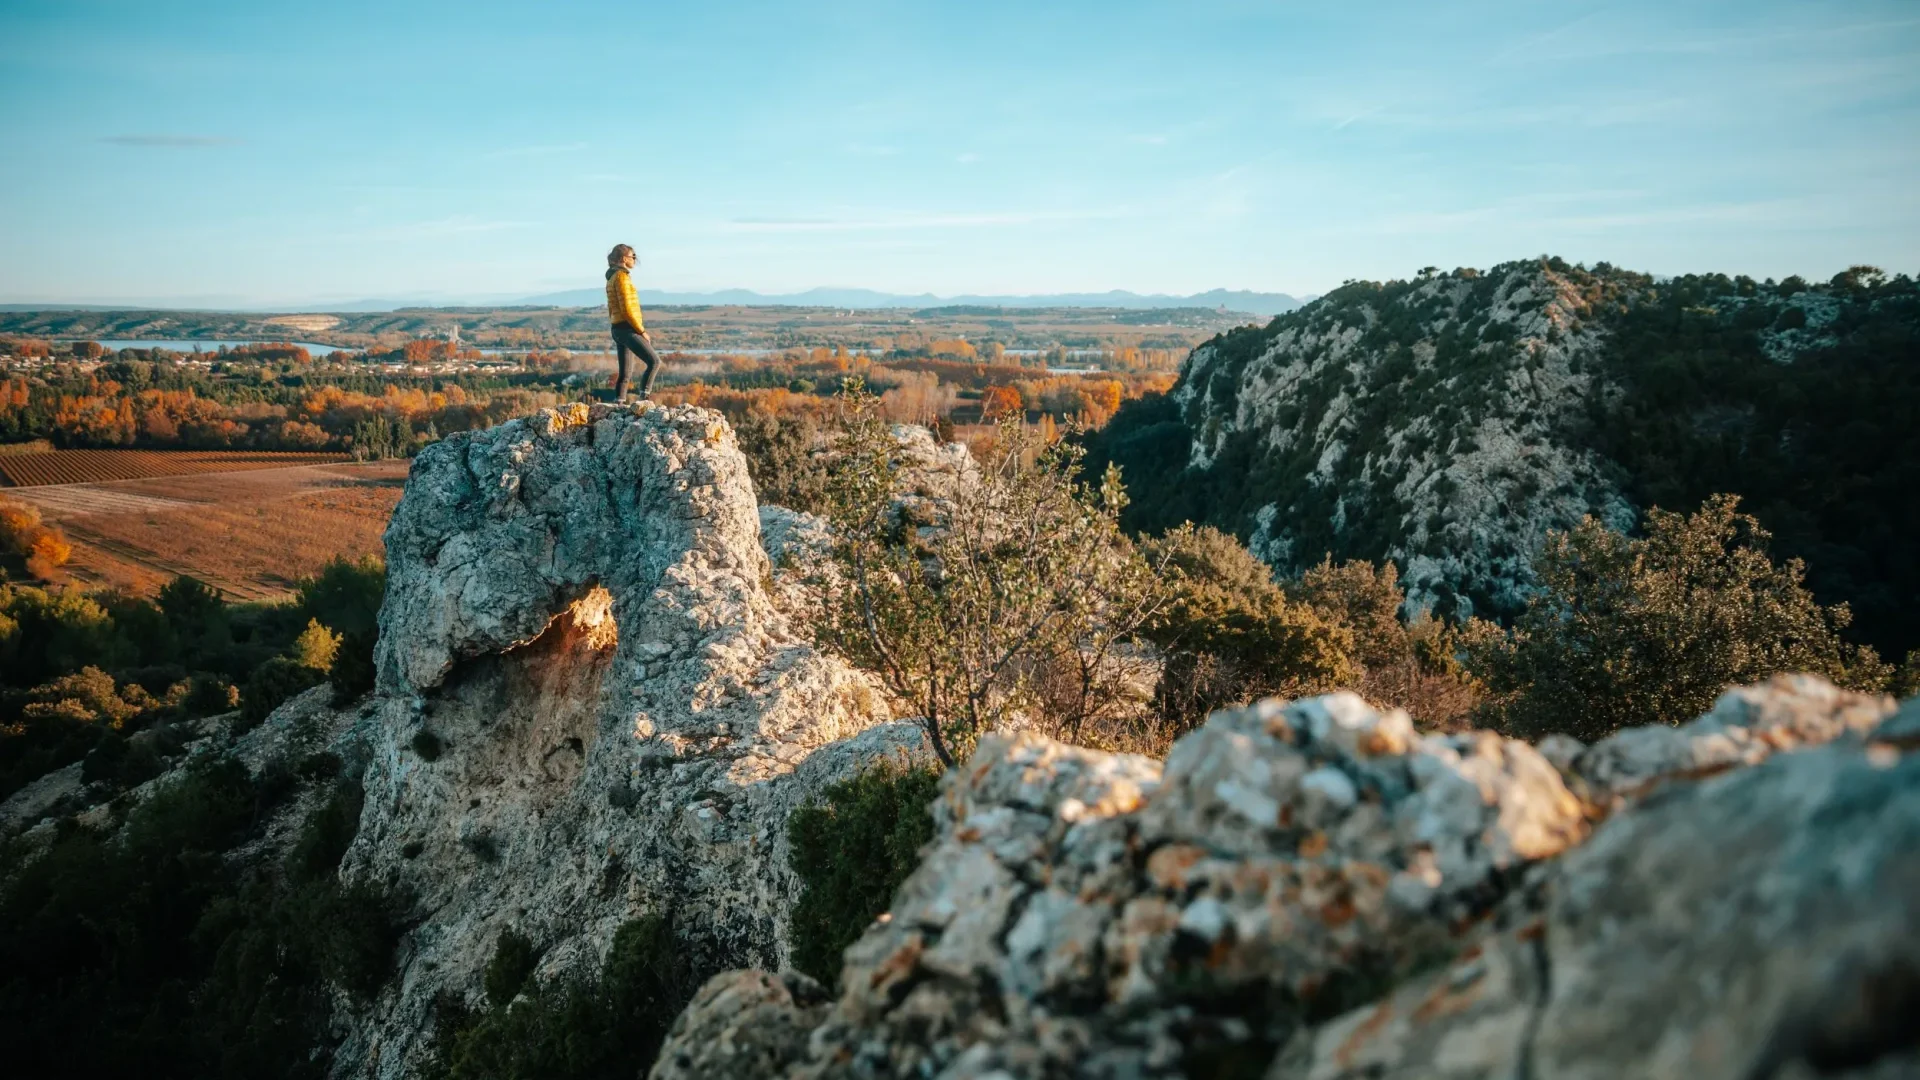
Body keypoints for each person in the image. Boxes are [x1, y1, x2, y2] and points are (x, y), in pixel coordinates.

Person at [604, 244, 661, 401]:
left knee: (625, 373)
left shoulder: (612, 278)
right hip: (627, 329)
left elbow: (612, 308)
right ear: (624, 259)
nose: (635, 259)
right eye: (633, 256)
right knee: (654, 361)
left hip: (617, 328)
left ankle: (619, 404)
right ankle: (644, 400)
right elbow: (628, 309)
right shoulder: (622, 277)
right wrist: (641, 331)